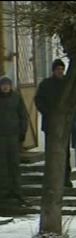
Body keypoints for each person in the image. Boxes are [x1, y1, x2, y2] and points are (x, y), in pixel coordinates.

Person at [35, 59, 73, 187]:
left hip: (64, 124)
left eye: (62, 69)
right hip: (50, 124)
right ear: (53, 70)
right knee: (51, 152)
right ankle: (51, 179)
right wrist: (48, 113)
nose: (60, 72)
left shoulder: (67, 85)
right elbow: (38, 100)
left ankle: (66, 178)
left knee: (65, 152)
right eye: (58, 69)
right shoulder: (46, 84)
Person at [0, 76, 29, 206]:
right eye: (3, 85)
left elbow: (23, 115)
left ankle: (17, 191)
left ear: (11, 86)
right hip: (1, 136)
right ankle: (4, 191)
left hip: (13, 135)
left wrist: (22, 132)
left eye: (7, 84)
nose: (5, 87)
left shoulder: (16, 98)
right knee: (3, 165)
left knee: (15, 164)